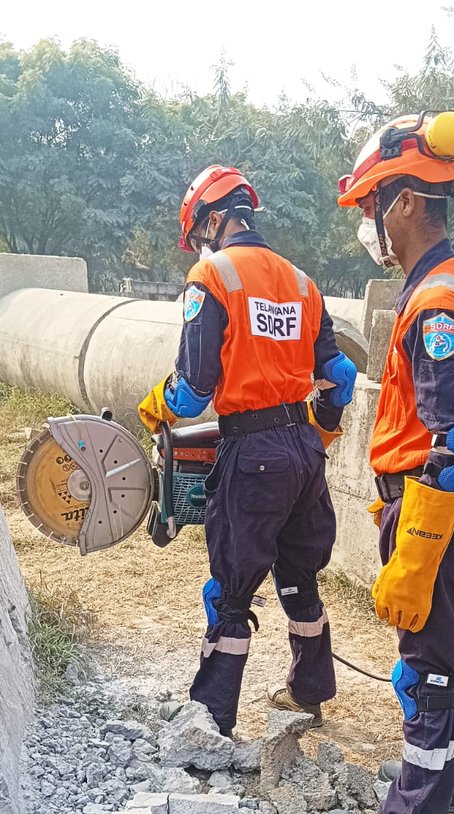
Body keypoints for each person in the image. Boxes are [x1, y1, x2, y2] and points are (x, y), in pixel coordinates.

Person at [325, 111, 454, 814]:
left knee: (426, 672)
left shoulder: (434, 301)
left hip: (436, 510)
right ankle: (451, 790)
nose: (370, 222)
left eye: (373, 205)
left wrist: (415, 551)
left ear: (405, 202)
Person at [139, 165, 357, 736]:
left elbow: (192, 393)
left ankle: (212, 719)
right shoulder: (302, 282)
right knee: (299, 575)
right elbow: (341, 376)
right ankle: (309, 691)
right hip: (304, 449)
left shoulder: (212, 275)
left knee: (231, 589)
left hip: (252, 451)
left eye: (199, 234)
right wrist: (319, 436)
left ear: (213, 220)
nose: (200, 246)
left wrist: (155, 406)